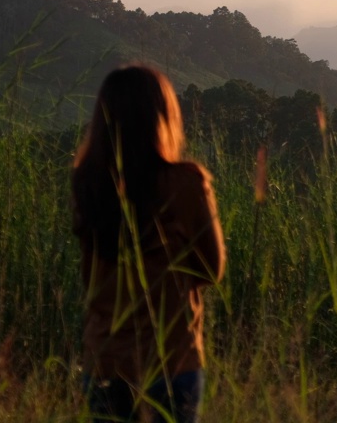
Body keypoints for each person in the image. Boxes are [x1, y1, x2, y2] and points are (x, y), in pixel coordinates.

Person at [72, 65, 226, 422]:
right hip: (172, 361)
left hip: (104, 363)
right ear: (162, 116)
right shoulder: (185, 182)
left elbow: (90, 278)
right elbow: (211, 269)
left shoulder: (87, 183)